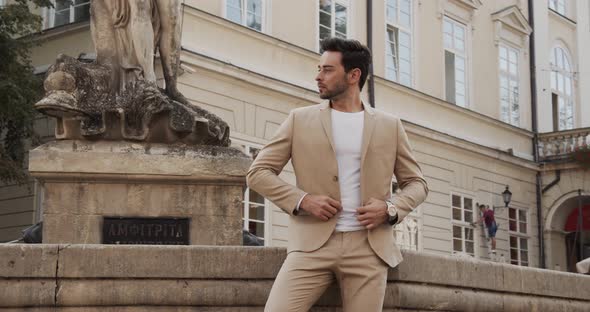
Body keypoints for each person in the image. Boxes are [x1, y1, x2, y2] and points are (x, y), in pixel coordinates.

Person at [246, 37, 429, 311]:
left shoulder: (390, 126)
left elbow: (417, 183)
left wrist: (390, 208)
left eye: (328, 70)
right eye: (319, 68)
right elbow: (258, 172)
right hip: (311, 248)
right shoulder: (299, 119)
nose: (318, 77)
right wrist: (303, 200)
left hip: (368, 249)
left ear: (354, 75)